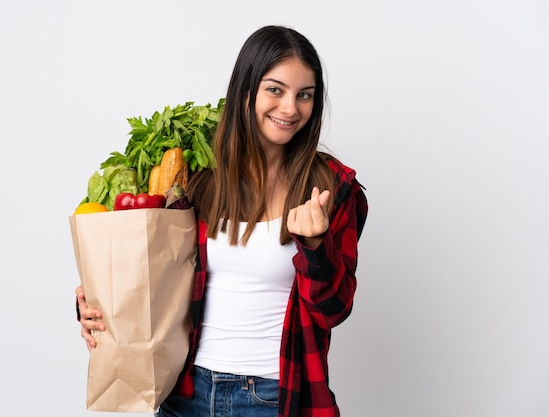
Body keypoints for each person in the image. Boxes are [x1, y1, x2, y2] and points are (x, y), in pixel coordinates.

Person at [76, 25, 368, 417]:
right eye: (275, 89)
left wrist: (316, 248)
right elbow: (148, 266)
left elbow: (334, 308)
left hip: (273, 396)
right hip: (185, 391)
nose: (290, 108)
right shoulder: (197, 174)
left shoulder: (333, 188)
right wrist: (94, 302)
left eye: (305, 96)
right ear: (245, 89)